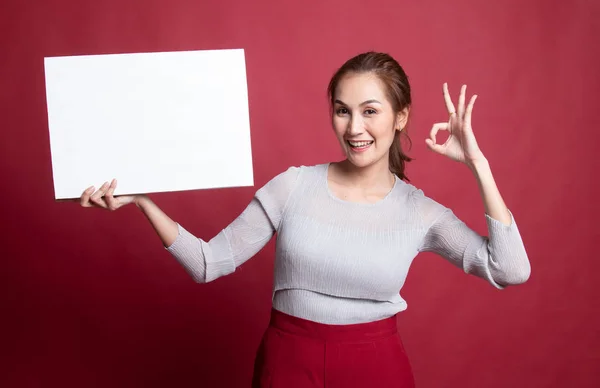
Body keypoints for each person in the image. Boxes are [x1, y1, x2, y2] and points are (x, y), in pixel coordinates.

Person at [79, 52, 531, 387]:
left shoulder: (420, 211)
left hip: (376, 368)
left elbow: (510, 270)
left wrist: (477, 163)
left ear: (401, 117)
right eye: (342, 110)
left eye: (370, 111)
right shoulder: (292, 186)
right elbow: (207, 263)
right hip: (288, 363)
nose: (354, 128)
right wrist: (142, 201)